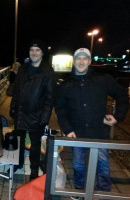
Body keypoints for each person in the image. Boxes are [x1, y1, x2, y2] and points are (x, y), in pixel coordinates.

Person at [55, 48, 128, 200]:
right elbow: (60, 109)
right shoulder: (66, 85)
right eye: (78, 58)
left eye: (84, 58)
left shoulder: (103, 79)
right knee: (77, 164)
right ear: (74, 62)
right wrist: (67, 129)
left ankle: (105, 191)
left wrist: (117, 116)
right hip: (77, 132)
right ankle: (79, 190)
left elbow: (121, 94)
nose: (81, 61)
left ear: (89, 61)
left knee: (103, 164)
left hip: (100, 131)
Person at [9, 40, 56, 180]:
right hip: (21, 112)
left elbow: (50, 97)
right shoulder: (23, 68)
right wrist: (12, 107)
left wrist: (44, 118)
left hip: (36, 115)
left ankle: (34, 170)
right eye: (32, 50)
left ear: (42, 53)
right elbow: (17, 90)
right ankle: (18, 163)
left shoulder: (48, 72)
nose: (34, 53)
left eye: (37, 50)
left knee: (35, 145)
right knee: (20, 140)